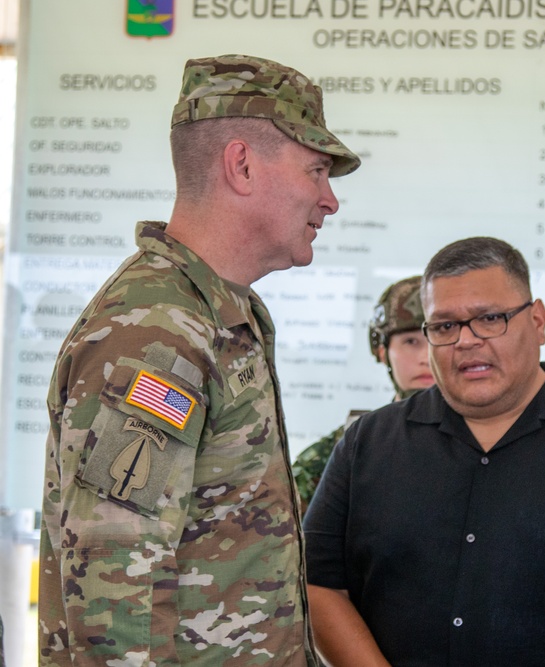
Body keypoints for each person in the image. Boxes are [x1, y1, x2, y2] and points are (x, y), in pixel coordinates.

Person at [39, 54, 360, 666]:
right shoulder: (158, 332)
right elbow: (116, 588)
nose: (329, 200)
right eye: (317, 170)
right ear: (241, 165)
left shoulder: (223, 313)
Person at [303, 237, 545, 666]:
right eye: (444, 326)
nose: (466, 341)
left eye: (490, 318)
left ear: (538, 321)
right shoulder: (368, 442)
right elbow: (318, 582)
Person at [292, 275, 434, 509]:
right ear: (381, 351)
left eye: (436, 338)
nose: (425, 358)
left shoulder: (486, 438)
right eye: (411, 341)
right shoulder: (353, 444)